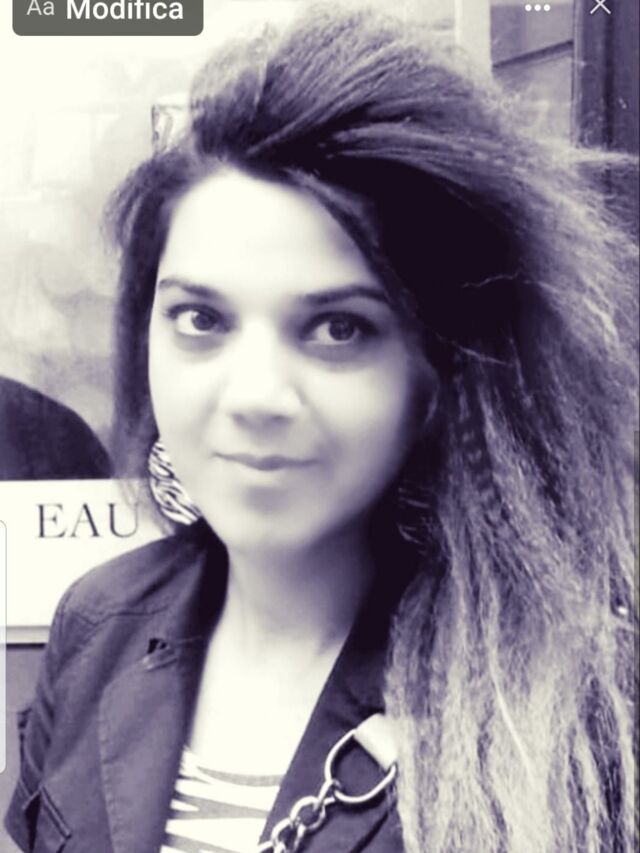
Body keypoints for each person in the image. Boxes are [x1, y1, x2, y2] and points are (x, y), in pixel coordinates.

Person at [5, 5, 637, 852]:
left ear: (441, 371)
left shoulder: (566, 708)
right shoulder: (98, 622)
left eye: (338, 328)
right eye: (201, 318)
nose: (254, 395)